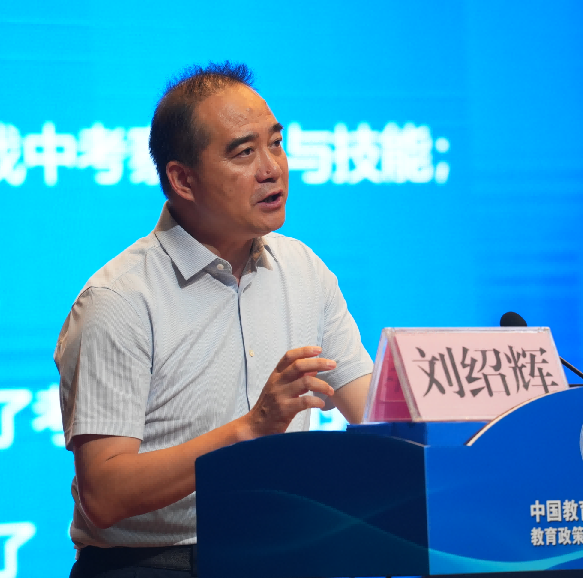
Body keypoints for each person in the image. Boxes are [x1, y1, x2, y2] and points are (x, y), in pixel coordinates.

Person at [54, 62, 373, 577]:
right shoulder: (120, 299)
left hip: (286, 555)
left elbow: (374, 411)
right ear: (182, 179)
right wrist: (251, 429)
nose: (272, 168)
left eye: (276, 144)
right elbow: (105, 495)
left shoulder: (303, 270)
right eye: (244, 153)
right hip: (156, 565)